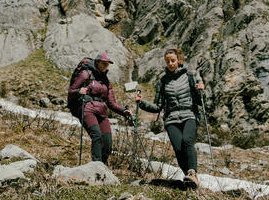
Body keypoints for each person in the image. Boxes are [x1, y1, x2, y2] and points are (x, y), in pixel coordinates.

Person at [135, 47, 205, 189]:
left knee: (187, 141)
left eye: (173, 60)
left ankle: (192, 173)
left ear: (179, 60)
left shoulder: (190, 76)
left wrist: (201, 90)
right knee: (178, 149)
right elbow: (157, 106)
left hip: (189, 115)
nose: (170, 63)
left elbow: (200, 101)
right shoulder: (162, 81)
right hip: (171, 119)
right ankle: (189, 179)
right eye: (168, 61)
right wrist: (141, 103)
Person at [68, 51, 132, 165]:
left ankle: (103, 166)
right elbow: (71, 91)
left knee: (107, 142)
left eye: (107, 64)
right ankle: (96, 166)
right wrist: (79, 91)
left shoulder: (106, 81)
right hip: (87, 108)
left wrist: (123, 111)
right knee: (96, 135)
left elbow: (111, 103)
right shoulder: (85, 74)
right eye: (104, 63)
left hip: (102, 112)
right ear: (97, 62)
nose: (106, 66)